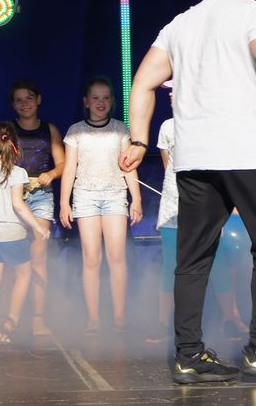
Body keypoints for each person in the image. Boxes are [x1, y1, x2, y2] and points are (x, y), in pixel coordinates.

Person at [119, 0, 256, 384]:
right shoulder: (252, 12)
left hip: (193, 158)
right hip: (242, 149)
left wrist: (139, 140)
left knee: (192, 258)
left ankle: (189, 355)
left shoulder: (179, 24)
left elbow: (142, 83)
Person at [148, 82, 249, 344]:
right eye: (171, 92)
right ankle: (163, 323)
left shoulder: (209, 125)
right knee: (171, 265)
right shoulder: (167, 127)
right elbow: (169, 168)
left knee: (216, 262)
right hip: (173, 207)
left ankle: (229, 319)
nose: (172, 95)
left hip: (205, 207)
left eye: (178, 89)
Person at [59, 78, 143, 333]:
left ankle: (119, 317)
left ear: (112, 101)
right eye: (95, 97)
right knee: (91, 258)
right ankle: (93, 319)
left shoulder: (120, 129)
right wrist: (64, 203)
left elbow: (129, 167)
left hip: (115, 196)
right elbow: (69, 169)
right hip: (85, 197)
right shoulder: (75, 131)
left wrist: (136, 199)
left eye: (106, 97)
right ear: (86, 102)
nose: (101, 102)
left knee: (116, 257)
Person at [0, 122, 50, 342]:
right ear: (14, 147)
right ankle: (11, 320)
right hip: (12, 236)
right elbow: (19, 204)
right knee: (24, 274)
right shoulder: (18, 173)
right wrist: (37, 226)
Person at [9, 79, 65, 336]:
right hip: (14, 196)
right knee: (13, 257)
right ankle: (11, 317)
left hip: (41, 196)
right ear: (13, 104)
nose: (25, 104)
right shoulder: (7, 130)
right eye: (19, 100)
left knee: (38, 257)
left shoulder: (49, 129)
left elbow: (62, 163)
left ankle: (38, 319)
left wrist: (51, 174)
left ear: (38, 100)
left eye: (29, 98)